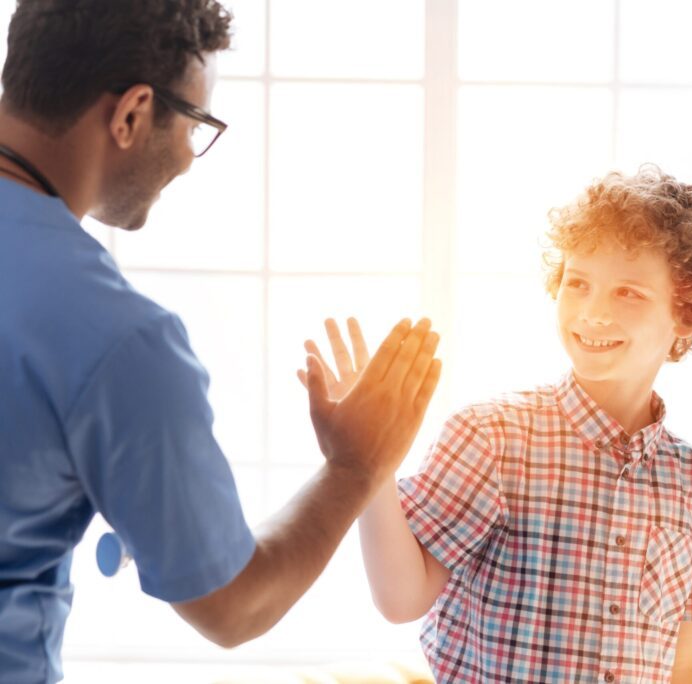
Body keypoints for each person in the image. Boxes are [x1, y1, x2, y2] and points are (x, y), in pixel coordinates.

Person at [0, 2, 441, 683]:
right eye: (196, 125)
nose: (188, 158)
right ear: (132, 114)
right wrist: (354, 467)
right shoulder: (120, 341)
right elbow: (233, 606)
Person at [305, 165, 692, 682]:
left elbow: (690, 664)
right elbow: (401, 599)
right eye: (578, 283)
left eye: (629, 292)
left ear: (686, 314)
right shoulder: (491, 436)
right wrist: (369, 460)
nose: (594, 312)